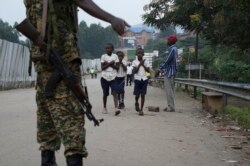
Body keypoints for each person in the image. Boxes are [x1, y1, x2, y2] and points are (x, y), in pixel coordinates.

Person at [23, 0, 129, 166]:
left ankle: (48, 160)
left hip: (42, 58)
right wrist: (112, 18)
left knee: (46, 119)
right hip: (62, 55)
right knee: (71, 121)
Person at [159, 35, 178, 112]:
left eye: (168, 40)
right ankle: (170, 106)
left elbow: (167, 60)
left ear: (171, 41)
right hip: (172, 71)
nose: (167, 41)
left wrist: (160, 67)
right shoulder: (175, 49)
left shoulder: (172, 49)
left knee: (169, 90)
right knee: (171, 90)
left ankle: (171, 107)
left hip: (169, 72)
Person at [100, 43, 121, 116]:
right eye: (106, 48)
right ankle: (104, 107)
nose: (107, 49)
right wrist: (110, 64)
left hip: (113, 77)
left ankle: (116, 108)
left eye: (109, 48)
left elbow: (117, 68)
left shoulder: (115, 56)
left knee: (115, 92)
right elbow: (102, 68)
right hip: (104, 77)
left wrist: (109, 64)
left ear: (112, 49)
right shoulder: (103, 56)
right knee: (105, 93)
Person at [132, 48, 150, 116]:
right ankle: (136, 102)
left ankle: (141, 110)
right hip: (137, 79)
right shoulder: (134, 62)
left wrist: (143, 65)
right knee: (137, 95)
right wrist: (140, 64)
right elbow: (134, 71)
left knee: (143, 95)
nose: (139, 54)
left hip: (144, 79)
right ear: (136, 54)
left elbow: (148, 71)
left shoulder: (146, 62)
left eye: (141, 53)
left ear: (143, 54)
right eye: (138, 53)